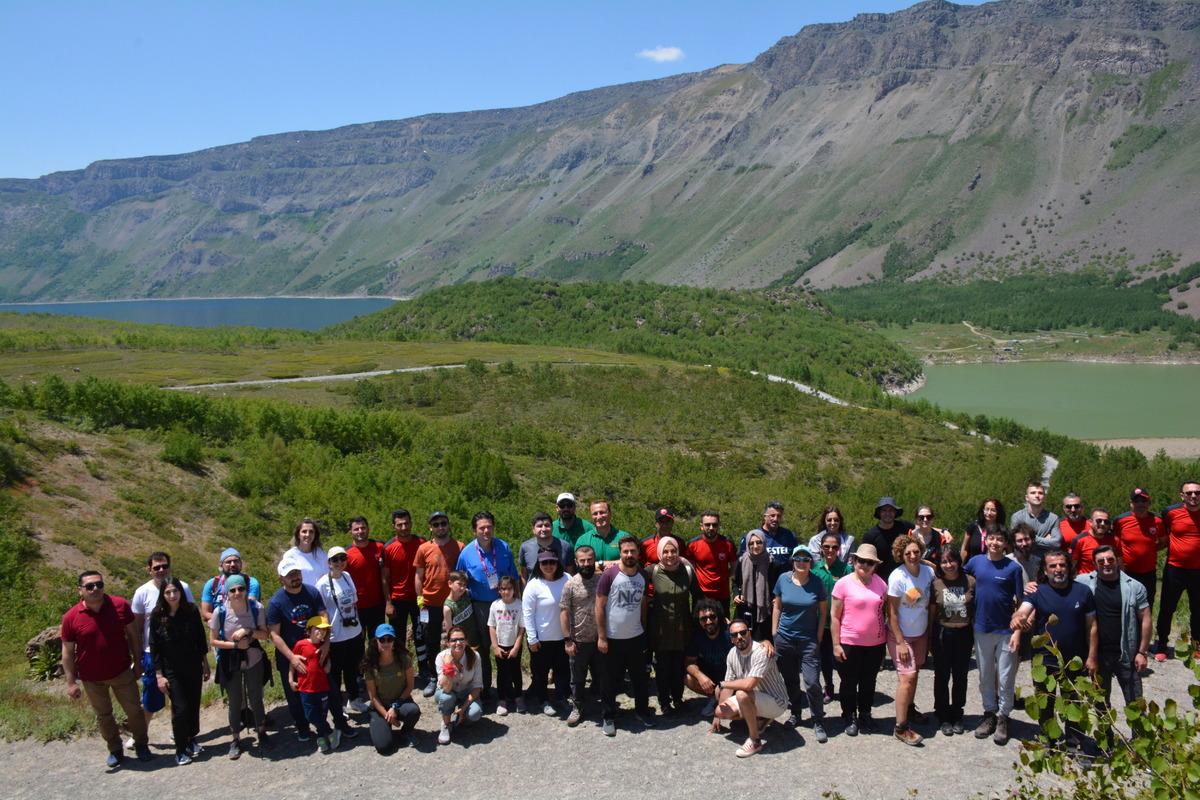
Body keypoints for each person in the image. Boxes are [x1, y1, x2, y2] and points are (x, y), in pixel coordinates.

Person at [61, 570, 152, 767]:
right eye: (90, 586)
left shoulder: (119, 605)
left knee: (135, 710)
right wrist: (71, 682)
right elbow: (67, 652)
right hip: (91, 677)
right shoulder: (70, 617)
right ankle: (115, 750)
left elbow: (134, 636)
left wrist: (138, 662)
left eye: (99, 585)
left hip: (121, 671)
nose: (95, 589)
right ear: (80, 591)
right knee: (103, 715)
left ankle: (141, 745)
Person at [1016, 551, 1097, 749]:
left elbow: (1092, 627)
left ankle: (1074, 743)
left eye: (1062, 565)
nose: (1058, 569)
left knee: (1073, 703)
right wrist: (1018, 618)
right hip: (1044, 661)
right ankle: (1048, 739)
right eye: (1053, 566)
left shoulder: (1083, 592)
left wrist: (1092, 656)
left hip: (1074, 660)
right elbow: (1023, 610)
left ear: (1068, 567)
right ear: (1045, 570)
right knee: (1045, 704)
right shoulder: (1038, 592)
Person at [963, 527, 1024, 745]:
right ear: (986, 540)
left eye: (1000, 539)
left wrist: (1018, 630)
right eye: (991, 538)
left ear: (1006, 544)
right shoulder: (975, 562)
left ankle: (1004, 716)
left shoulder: (1013, 568)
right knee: (985, 675)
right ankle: (989, 713)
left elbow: (1021, 602)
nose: (995, 543)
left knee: (1006, 677)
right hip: (981, 628)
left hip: (1006, 630)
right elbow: (957, 578)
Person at [1076, 545, 1150, 719]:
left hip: (1126, 654)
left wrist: (1142, 652)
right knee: (1100, 702)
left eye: (1110, 559)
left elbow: (1146, 619)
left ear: (1117, 560)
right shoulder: (1084, 582)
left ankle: (1139, 743)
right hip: (1098, 655)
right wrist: (1033, 586)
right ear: (1095, 564)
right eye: (1101, 561)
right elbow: (1058, 583)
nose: (1106, 564)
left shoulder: (1134, 587)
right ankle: (1105, 742)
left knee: (1135, 702)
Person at [131, 552, 194, 744]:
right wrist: (137, 655)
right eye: (156, 567)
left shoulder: (183, 587)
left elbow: (190, 617)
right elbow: (137, 626)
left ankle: (179, 731)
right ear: (149, 569)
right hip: (153, 652)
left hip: (179, 652)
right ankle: (140, 735)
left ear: (170, 567)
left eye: (164, 566)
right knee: (151, 695)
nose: (161, 570)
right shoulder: (142, 592)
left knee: (180, 696)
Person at [596, 534, 654, 735]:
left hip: (636, 637)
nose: (629, 555)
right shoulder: (609, 575)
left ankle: (642, 711)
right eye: (625, 551)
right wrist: (602, 637)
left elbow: (643, 604)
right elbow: (599, 606)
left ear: (638, 553)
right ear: (620, 553)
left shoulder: (643, 575)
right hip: (612, 638)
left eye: (633, 551)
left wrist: (644, 629)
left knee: (640, 679)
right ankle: (608, 716)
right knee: (609, 681)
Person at [455, 511, 518, 697]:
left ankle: (508, 689)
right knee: (482, 649)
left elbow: (514, 577)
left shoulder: (503, 547)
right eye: (481, 528)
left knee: (507, 645)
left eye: (489, 527)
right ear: (474, 530)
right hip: (481, 606)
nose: (486, 531)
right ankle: (484, 688)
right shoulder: (466, 553)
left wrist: (517, 602)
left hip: (505, 604)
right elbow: (459, 579)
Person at [148, 578, 210, 765]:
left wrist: (205, 663)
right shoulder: (157, 615)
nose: (172, 595)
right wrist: (159, 675)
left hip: (192, 666)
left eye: (175, 591)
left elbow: (200, 638)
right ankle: (180, 749)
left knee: (193, 705)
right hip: (171, 670)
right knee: (180, 709)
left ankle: (191, 739)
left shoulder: (191, 611)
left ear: (181, 592)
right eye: (168, 592)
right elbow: (154, 647)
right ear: (163, 595)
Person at [208, 574, 270, 759]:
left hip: (253, 658)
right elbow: (213, 641)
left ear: (245, 589)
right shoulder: (220, 612)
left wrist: (248, 631)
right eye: (233, 590)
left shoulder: (256, 607)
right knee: (235, 701)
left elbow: (265, 634)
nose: (237, 593)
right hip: (231, 661)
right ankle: (235, 739)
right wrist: (236, 646)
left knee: (256, 696)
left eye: (241, 589)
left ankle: (261, 731)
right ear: (227, 593)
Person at [267, 555, 327, 741]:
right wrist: (292, 657)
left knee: (320, 690)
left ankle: (322, 725)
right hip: (290, 656)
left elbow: (323, 618)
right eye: (290, 575)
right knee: (294, 693)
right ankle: (302, 727)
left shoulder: (312, 593)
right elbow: (274, 635)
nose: (295, 577)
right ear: (281, 579)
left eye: (297, 573)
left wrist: (326, 644)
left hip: (314, 652)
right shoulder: (276, 602)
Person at [772, 545, 828, 743]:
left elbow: (823, 612)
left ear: (811, 562)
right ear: (793, 560)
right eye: (798, 558)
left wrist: (819, 636)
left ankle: (818, 719)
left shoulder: (817, 582)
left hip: (808, 640)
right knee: (790, 680)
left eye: (805, 559)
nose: (801, 562)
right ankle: (796, 712)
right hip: (785, 639)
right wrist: (774, 632)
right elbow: (777, 606)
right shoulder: (783, 579)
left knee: (812, 682)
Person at [830, 544, 887, 736]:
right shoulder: (843, 584)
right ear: (854, 561)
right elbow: (835, 616)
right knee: (848, 681)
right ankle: (849, 714)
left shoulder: (881, 584)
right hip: (849, 642)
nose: (865, 565)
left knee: (868, 681)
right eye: (861, 560)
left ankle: (865, 713)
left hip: (876, 643)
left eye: (869, 562)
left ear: (875, 565)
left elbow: (886, 611)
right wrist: (836, 644)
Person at [713, 618, 791, 758]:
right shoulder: (732, 654)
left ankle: (755, 740)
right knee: (720, 711)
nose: (739, 637)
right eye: (734, 635)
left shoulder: (761, 651)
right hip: (756, 697)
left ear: (749, 633)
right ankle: (760, 719)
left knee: (742, 694)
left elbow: (748, 685)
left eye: (743, 632)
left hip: (776, 701)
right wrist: (717, 716)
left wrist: (722, 684)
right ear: (730, 639)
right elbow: (729, 687)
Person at [886, 535, 935, 746]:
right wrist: (900, 642)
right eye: (907, 554)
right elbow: (892, 613)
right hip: (901, 635)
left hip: (921, 632)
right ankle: (901, 727)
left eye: (916, 552)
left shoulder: (928, 572)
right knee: (907, 678)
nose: (912, 556)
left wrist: (929, 634)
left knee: (915, 675)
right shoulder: (897, 577)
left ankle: (910, 708)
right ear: (900, 556)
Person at [413, 511, 463, 695]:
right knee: (431, 641)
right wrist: (420, 598)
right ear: (430, 527)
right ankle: (435, 676)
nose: (440, 527)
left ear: (448, 525)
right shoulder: (424, 548)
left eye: (443, 523)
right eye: (436, 524)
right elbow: (418, 576)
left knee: (457, 639)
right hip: (430, 603)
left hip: (454, 603)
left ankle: (459, 675)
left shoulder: (459, 546)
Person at [314, 546, 361, 740]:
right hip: (336, 636)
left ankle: (354, 699)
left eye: (342, 558)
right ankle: (338, 707)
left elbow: (354, 600)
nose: (339, 562)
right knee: (334, 674)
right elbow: (320, 610)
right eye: (335, 560)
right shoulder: (323, 583)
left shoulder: (347, 576)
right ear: (328, 563)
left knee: (352, 668)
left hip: (353, 631)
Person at [930, 546, 975, 736]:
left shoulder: (970, 581)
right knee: (941, 675)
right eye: (944, 562)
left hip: (964, 633)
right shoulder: (935, 584)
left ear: (959, 561)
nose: (949, 565)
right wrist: (929, 636)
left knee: (960, 675)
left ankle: (957, 712)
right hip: (942, 633)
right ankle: (942, 714)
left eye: (952, 560)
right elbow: (931, 612)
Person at [648, 537, 694, 715]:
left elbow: (698, 596)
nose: (670, 555)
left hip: (683, 628)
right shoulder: (653, 571)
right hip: (661, 630)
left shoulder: (687, 571)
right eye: (665, 551)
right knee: (662, 667)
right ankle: (664, 701)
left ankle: (678, 698)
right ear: (660, 553)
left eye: (673, 551)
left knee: (679, 666)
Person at [560, 544, 604, 726]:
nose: (586, 564)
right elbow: (563, 612)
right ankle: (577, 707)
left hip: (600, 638)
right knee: (577, 679)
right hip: (579, 640)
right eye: (582, 561)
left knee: (602, 676)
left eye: (590, 560)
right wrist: (567, 639)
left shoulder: (602, 580)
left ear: (595, 560)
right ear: (576, 562)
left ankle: (605, 707)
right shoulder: (570, 584)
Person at [361, 623, 422, 754]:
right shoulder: (370, 665)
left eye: (390, 639)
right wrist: (388, 716)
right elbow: (373, 697)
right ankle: (382, 726)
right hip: (379, 707)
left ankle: (405, 732)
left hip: (400, 702)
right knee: (384, 747)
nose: (386, 643)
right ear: (376, 641)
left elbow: (410, 686)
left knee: (414, 711)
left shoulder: (404, 659)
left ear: (394, 641)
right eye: (382, 639)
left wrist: (395, 707)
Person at [1157, 480, 1200, 661]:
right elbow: (1162, 535)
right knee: (1167, 608)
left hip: (1198, 571)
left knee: (1198, 609)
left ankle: (1196, 645)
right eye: (1189, 493)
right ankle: (1161, 645)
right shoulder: (1170, 513)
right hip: (1175, 568)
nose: (1193, 496)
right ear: (1182, 495)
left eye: (1197, 493)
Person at [523, 551, 570, 714]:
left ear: (558, 563)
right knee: (540, 673)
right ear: (539, 565)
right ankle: (543, 700)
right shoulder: (533, 584)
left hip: (563, 636)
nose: (549, 566)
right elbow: (527, 613)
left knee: (563, 671)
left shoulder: (567, 579)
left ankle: (561, 697)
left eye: (552, 562)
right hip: (541, 638)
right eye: (544, 563)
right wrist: (532, 638)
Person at [290, 616, 345, 754]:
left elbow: (328, 661)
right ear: (309, 630)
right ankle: (331, 732)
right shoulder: (300, 644)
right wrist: (291, 679)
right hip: (305, 688)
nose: (321, 633)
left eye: (325, 630)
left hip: (322, 687)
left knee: (322, 713)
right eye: (318, 629)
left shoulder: (324, 646)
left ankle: (321, 736)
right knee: (310, 715)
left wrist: (329, 665)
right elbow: (293, 662)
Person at [382, 508, 426, 664]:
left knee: (421, 633)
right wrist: (388, 603)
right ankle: (400, 666)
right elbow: (385, 578)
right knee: (398, 636)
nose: (404, 528)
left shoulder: (422, 543)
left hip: (419, 598)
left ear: (411, 523)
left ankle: (424, 668)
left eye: (406, 523)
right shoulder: (388, 548)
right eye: (399, 525)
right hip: (397, 599)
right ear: (393, 526)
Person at [1113, 488, 1166, 612]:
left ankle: (1145, 631)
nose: (1140, 504)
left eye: (1144, 501)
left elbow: (1164, 542)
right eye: (1136, 501)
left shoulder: (1157, 521)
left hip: (1149, 572)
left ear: (1149, 503)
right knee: (1127, 605)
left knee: (1147, 606)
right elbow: (1114, 545)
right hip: (1127, 572)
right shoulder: (1120, 521)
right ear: (1131, 503)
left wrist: (1150, 550)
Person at [812, 531, 850, 704]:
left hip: (842, 623)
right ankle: (828, 686)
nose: (830, 550)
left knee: (842, 659)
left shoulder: (846, 569)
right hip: (821, 623)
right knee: (825, 658)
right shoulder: (815, 570)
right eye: (826, 547)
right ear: (821, 548)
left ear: (839, 549)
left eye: (834, 547)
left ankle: (847, 688)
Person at [435, 625, 484, 745]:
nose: (458, 643)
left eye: (461, 639)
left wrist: (463, 708)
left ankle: (459, 719)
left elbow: (477, 686)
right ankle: (446, 724)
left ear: (466, 641)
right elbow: (446, 689)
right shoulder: (441, 657)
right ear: (448, 643)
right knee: (446, 698)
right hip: (448, 691)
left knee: (475, 714)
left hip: (466, 692)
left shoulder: (475, 656)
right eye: (453, 640)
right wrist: (448, 667)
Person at [344, 516, 386, 639]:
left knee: (377, 642)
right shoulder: (345, 554)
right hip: (356, 607)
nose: (360, 531)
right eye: (356, 529)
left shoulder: (380, 547)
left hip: (377, 605)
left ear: (368, 529)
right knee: (357, 644)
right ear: (350, 532)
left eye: (363, 528)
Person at [688, 509, 736, 614]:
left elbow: (734, 567)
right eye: (707, 525)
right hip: (701, 595)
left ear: (718, 526)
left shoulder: (728, 544)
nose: (711, 528)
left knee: (722, 626)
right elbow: (690, 569)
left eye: (714, 525)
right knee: (699, 626)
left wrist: (724, 578)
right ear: (701, 526)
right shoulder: (692, 545)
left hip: (722, 595)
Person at [488, 575, 525, 715]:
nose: (506, 592)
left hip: (514, 645)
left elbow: (522, 628)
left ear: (514, 589)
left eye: (509, 589)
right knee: (502, 673)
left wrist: (516, 647)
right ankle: (501, 700)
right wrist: (495, 646)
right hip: (500, 645)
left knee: (516, 671)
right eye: (503, 589)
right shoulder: (495, 605)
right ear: (499, 590)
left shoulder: (519, 604)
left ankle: (519, 697)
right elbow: (491, 627)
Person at [200, 547, 261, 624]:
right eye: (228, 562)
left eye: (236, 561)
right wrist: (226, 622)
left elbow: (250, 609)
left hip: (245, 628)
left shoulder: (251, 582)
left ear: (241, 563)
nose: (233, 564)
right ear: (221, 565)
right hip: (220, 632)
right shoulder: (212, 584)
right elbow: (205, 613)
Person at [732, 530, 773, 639]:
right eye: (751, 543)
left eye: (759, 542)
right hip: (745, 608)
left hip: (765, 611)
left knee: (762, 644)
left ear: (764, 543)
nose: (755, 546)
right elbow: (735, 582)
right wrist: (736, 594)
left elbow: (777, 586)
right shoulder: (741, 562)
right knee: (743, 641)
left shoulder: (771, 562)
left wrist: (775, 598)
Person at [741, 501, 799, 577]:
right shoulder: (753, 536)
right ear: (764, 516)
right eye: (772, 515)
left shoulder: (790, 536)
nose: (775, 519)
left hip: (785, 582)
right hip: (761, 582)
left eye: (779, 516)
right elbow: (742, 561)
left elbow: (796, 559)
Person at [862, 497, 914, 579]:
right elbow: (864, 560)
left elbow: (923, 529)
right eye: (884, 510)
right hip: (880, 580)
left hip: (904, 577)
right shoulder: (870, 536)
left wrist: (941, 530)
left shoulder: (904, 526)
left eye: (891, 510)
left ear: (895, 512)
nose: (888, 513)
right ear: (879, 513)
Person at [518, 511, 574, 580]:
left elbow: (570, 573)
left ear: (552, 527)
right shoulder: (525, 547)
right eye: (539, 526)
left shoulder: (565, 547)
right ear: (533, 529)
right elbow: (523, 576)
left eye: (547, 525)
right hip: (534, 590)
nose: (543, 529)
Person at [1010, 482, 1062, 555]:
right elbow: (1015, 542)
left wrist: (1029, 538)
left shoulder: (1053, 518)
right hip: (1024, 561)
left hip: (1044, 562)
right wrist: (1045, 541)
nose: (1037, 495)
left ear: (1044, 497)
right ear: (1027, 498)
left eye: (1040, 493)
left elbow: (1056, 544)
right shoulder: (1017, 517)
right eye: (1033, 493)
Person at [576, 499, 627, 567]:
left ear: (610, 513)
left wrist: (598, 564)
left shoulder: (624, 537)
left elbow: (629, 561)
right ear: (591, 516)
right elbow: (582, 565)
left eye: (602, 512)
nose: (599, 517)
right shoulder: (583, 540)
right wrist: (616, 563)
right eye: (595, 514)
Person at [284, 517, 329, 589]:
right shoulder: (290, 555)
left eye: (311, 532)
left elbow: (327, 577)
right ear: (298, 535)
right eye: (304, 531)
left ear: (315, 535)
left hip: (320, 596)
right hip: (300, 597)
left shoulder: (321, 554)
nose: (308, 535)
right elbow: (287, 581)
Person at [1072, 507, 1118, 575]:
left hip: (1109, 578)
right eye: (1099, 521)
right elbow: (1072, 565)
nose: (1102, 524)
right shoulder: (1079, 540)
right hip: (1087, 581)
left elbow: (1119, 563)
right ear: (1090, 522)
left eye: (1106, 522)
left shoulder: (1114, 540)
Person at [961, 498, 1005, 562]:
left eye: (993, 510)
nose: (989, 513)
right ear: (983, 510)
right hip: (972, 567)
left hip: (995, 568)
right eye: (987, 509)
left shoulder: (1002, 530)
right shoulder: (973, 527)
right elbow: (964, 549)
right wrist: (961, 566)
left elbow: (1009, 552)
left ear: (998, 512)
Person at [1008, 523, 1043, 592]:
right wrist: (1023, 588)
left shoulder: (1039, 562)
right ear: (1014, 543)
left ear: (1033, 540)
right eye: (1019, 541)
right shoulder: (1007, 561)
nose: (1024, 544)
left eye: (1027, 539)